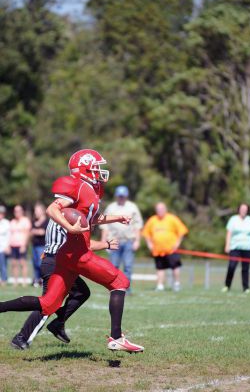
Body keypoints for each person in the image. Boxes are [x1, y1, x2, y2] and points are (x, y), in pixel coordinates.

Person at [0, 149, 144, 353]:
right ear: (84, 168)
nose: (99, 171)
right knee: (120, 282)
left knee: (48, 304)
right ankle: (117, 337)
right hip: (76, 254)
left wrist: (117, 219)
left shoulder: (90, 191)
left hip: (66, 255)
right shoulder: (77, 186)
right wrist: (70, 227)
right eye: (95, 167)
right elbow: (52, 209)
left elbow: (91, 219)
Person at [11, 219, 119, 350]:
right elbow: (86, 245)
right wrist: (106, 244)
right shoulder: (66, 216)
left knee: (81, 292)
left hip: (58, 262)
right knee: (48, 304)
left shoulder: (59, 214)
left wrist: (117, 218)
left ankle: (58, 323)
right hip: (56, 263)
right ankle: (21, 338)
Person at [100, 185, 143, 294]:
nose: (121, 198)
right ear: (116, 196)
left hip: (128, 241)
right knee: (113, 267)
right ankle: (114, 288)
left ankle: (126, 289)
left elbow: (138, 225)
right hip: (114, 241)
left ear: (126, 196)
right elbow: (104, 225)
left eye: (123, 196)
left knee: (128, 266)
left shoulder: (132, 207)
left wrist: (137, 240)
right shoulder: (111, 207)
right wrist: (103, 241)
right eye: (119, 196)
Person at [142, 202, 188, 292]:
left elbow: (182, 231)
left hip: (171, 249)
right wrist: (149, 244)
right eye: (158, 209)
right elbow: (146, 233)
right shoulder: (152, 220)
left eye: (162, 209)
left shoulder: (172, 218)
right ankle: (160, 286)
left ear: (165, 209)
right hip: (158, 250)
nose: (160, 211)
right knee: (160, 268)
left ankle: (177, 284)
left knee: (175, 267)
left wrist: (178, 243)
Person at [222, 203, 250, 294]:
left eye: (245, 209)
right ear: (239, 209)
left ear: (247, 210)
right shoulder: (233, 219)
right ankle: (227, 285)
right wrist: (227, 245)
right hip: (235, 247)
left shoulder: (249, 220)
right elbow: (229, 233)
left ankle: (246, 288)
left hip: (247, 247)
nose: (244, 211)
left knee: (245, 269)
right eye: (242, 209)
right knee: (232, 266)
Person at [9, 205, 32, 286]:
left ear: (22, 211)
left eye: (18, 211)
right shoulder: (12, 221)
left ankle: (24, 282)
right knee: (14, 264)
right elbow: (10, 234)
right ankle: (15, 282)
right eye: (15, 211)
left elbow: (27, 234)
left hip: (21, 245)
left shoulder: (25, 221)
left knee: (23, 264)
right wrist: (9, 245)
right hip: (13, 245)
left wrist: (24, 245)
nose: (17, 213)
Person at [31, 203, 49, 287]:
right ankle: (36, 280)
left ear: (42, 211)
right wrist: (37, 231)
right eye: (35, 210)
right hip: (34, 246)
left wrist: (36, 231)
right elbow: (31, 231)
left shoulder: (46, 221)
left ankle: (43, 280)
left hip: (42, 246)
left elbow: (43, 232)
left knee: (40, 264)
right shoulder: (34, 221)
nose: (36, 212)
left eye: (37, 210)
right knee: (35, 263)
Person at [0, 206, 10, 286]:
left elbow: (9, 236)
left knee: (3, 265)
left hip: (3, 248)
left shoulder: (6, 223)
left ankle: (4, 279)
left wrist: (7, 246)